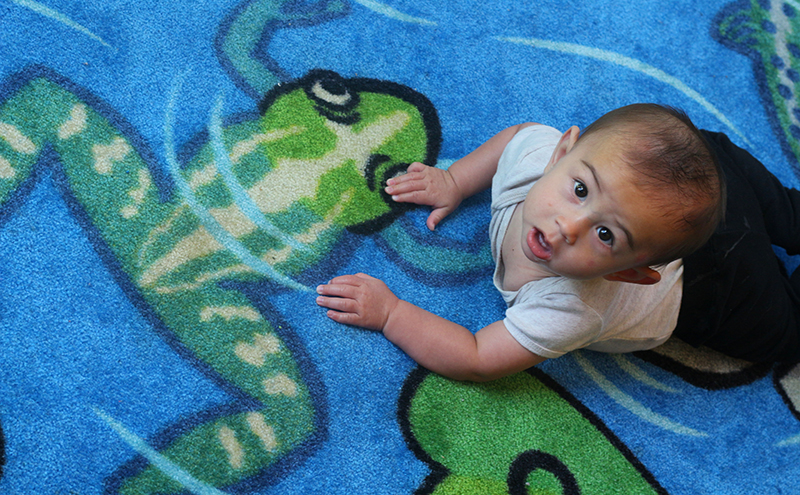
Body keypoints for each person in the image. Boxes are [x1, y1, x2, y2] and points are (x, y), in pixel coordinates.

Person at [316, 104, 736, 381]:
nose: (568, 226)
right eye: (581, 190)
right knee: (723, 169)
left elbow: (477, 358)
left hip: (713, 296)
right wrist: (455, 180)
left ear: (625, 272)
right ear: (560, 153)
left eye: (604, 235)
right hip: (702, 193)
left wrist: (392, 314)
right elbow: (520, 133)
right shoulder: (536, 162)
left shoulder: (570, 308)